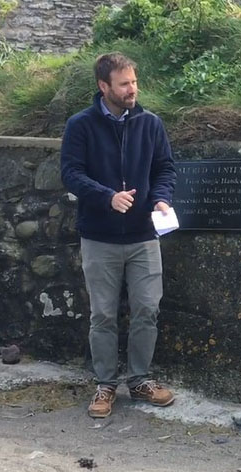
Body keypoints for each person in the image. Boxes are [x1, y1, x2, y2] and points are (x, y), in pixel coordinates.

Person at [61, 52, 177, 419]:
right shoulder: (80, 125)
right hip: (99, 237)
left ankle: (140, 380)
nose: (133, 90)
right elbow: (70, 174)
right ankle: (105, 385)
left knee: (147, 308)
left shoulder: (151, 123)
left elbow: (165, 168)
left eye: (134, 82)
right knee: (103, 316)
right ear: (103, 86)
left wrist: (161, 198)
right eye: (124, 83)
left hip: (144, 236)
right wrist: (106, 197)